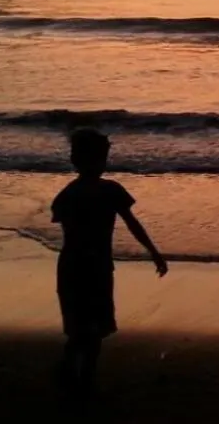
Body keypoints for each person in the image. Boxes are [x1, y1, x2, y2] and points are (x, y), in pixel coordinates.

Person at [49, 127, 167, 396]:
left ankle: (73, 376)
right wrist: (154, 252)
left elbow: (63, 223)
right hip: (95, 267)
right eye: (101, 157)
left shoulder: (68, 194)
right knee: (93, 329)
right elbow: (133, 225)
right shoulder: (111, 191)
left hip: (72, 266)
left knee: (80, 329)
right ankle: (82, 379)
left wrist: (154, 252)